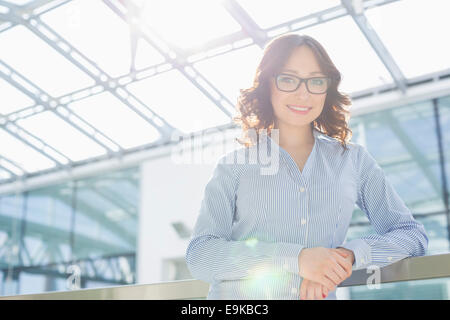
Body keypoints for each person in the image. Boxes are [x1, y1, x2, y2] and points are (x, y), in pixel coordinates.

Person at [185, 33, 428, 300]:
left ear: (327, 87)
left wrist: (344, 257)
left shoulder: (353, 160)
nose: (304, 94)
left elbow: (411, 235)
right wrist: (296, 259)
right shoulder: (234, 166)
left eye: (315, 81)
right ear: (268, 84)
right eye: (288, 79)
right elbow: (201, 256)